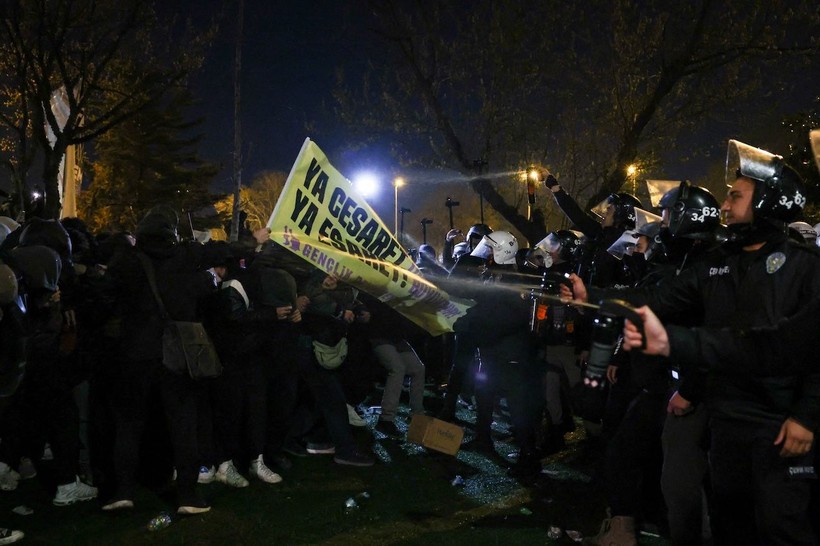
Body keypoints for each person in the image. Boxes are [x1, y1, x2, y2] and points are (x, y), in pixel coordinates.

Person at [564, 140, 819, 544]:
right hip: (726, 417)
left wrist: (807, 415)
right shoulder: (717, 264)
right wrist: (591, 297)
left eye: (736, 196)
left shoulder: (806, 268)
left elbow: (809, 349)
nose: (725, 205)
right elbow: (655, 299)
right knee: (730, 523)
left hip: (781, 421)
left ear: (771, 202)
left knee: (781, 525)